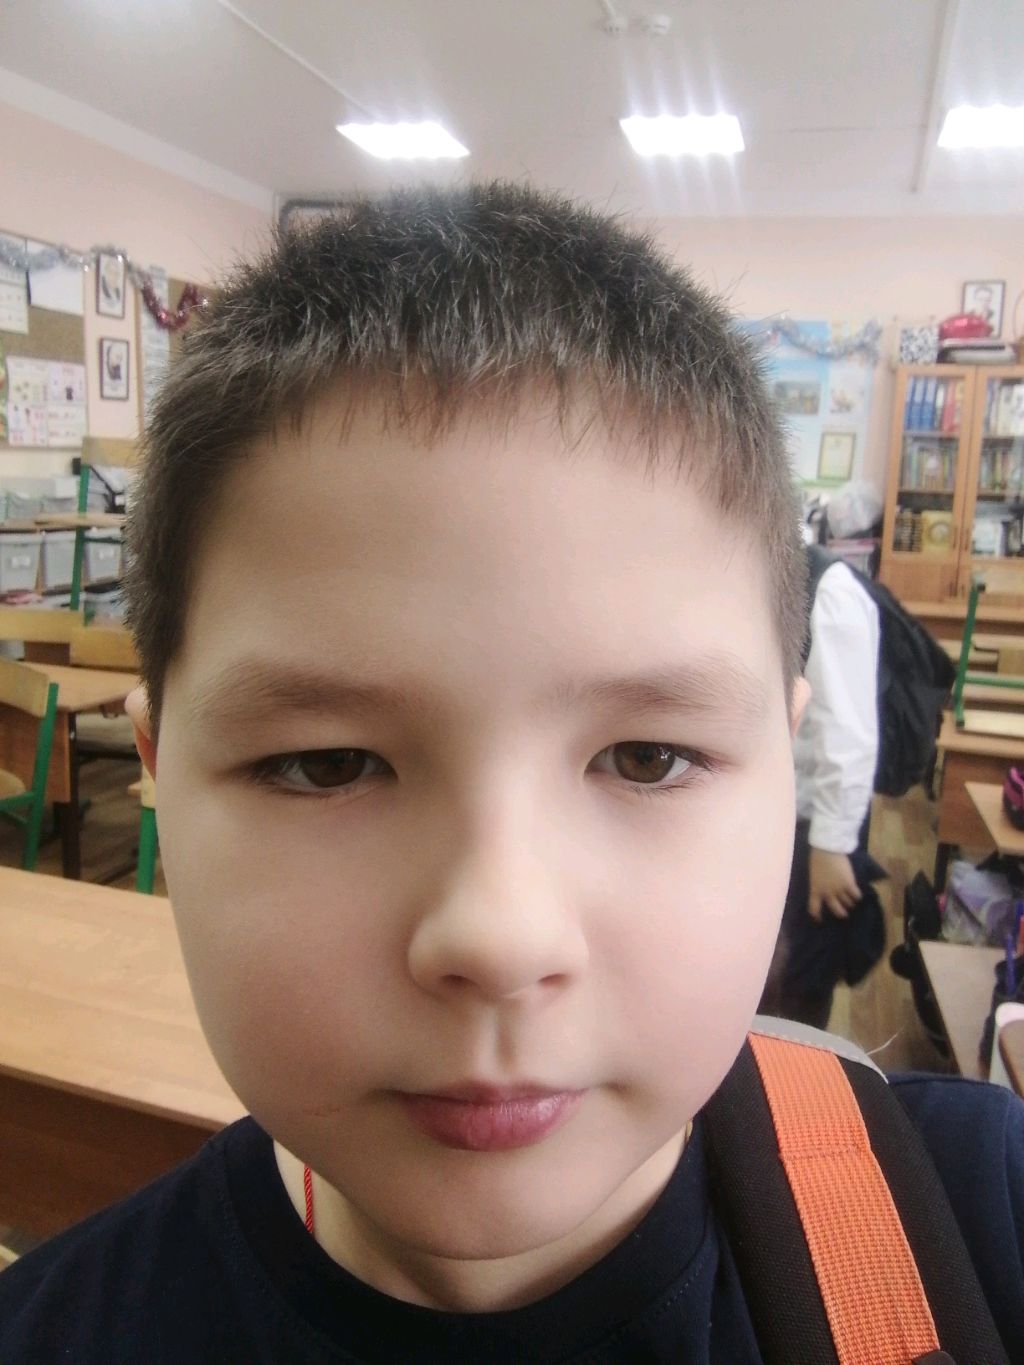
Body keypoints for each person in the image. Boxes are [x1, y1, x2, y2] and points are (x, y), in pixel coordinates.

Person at [0, 184, 1021, 1361]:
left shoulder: (979, 1221)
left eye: (646, 759)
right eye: (326, 764)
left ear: (783, 771)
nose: (498, 938)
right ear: (160, 775)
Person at [760, 545, 885, 1029]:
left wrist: (831, 846)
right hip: (770, 813)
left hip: (813, 830)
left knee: (800, 976)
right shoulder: (764, 570)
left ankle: (794, 1064)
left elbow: (847, 734)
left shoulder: (829, 590)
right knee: (761, 958)